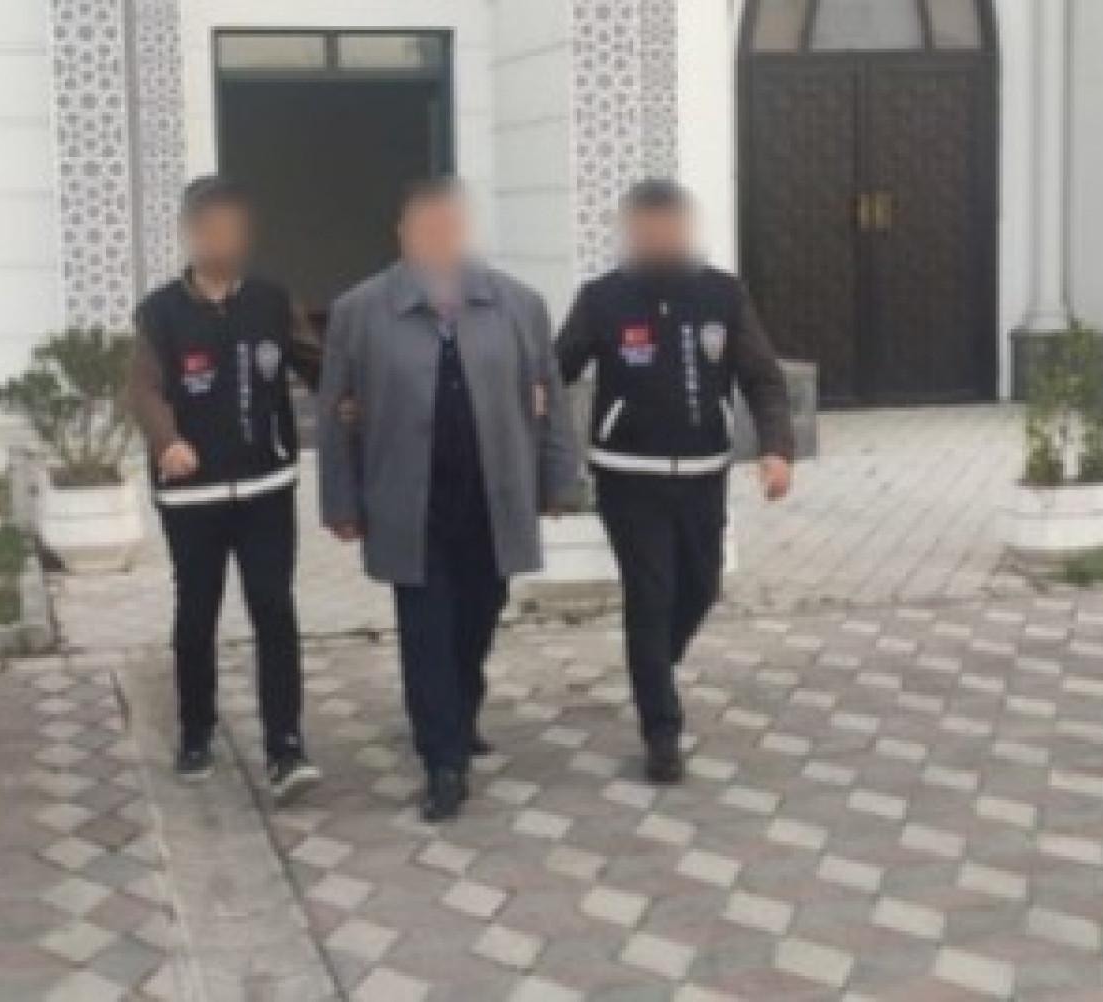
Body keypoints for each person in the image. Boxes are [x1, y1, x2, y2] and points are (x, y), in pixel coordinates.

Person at [320, 177, 579, 822]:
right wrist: (341, 500)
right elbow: (334, 414)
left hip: (493, 494)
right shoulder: (360, 310)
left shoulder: (518, 305)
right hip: (410, 500)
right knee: (425, 628)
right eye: (425, 226)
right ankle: (442, 760)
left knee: (478, 616)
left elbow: (551, 401)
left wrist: (558, 480)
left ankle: (460, 711)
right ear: (402, 234)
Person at [557, 178, 795, 784]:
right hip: (627, 477)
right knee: (651, 594)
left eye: (671, 225)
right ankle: (661, 732)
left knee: (701, 587)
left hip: (702, 475)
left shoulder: (722, 294)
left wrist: (775, 449)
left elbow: (762, 377)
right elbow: (557, 370)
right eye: (649, 227)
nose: (660, 236)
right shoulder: (602, 299)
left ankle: (652, 666)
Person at [128, 175, 323, 803]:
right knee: (197, 612)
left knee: (274, 609)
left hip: (267, 486)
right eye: (211, 228)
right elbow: (145, 389)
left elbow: (316, 364)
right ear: (190, 234)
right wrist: (167, 442)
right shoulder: (159, 312)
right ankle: (196, 729)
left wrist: (355, 402)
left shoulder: (271, 300)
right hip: (193, 497)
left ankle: (285, 747)